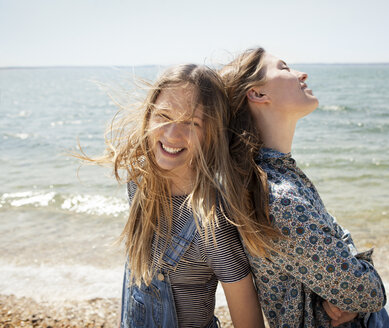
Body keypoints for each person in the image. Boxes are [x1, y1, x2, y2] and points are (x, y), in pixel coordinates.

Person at [220, 47, 389, 328]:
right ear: (258, 94)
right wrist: (354, 291)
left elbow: (353, 291)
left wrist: (349, 294)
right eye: (285, 68)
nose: (302, 74)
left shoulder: (274, 177)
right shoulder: (280, 196)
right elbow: (369, 292)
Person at [79, 64, 264, 328]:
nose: (171, 134)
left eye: (191, 123)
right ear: (148, 116)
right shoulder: (139, 183)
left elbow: (249, 320)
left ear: (211, 134)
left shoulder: (213, 225)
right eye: (164, 116)